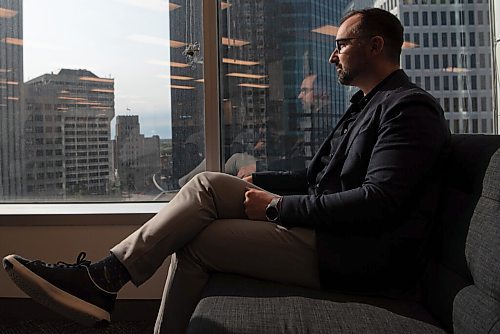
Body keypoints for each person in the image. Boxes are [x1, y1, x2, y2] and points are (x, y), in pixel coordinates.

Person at [2, 8, 450, 334]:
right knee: (208, 184)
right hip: (333, 235)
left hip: (360, 255)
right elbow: (317, 177)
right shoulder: (367, 105)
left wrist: (276, 209)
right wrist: (259, 184)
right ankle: (105, 277)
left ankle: (104, 280)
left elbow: (381, 202)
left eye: (341, 44)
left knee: (199, 243)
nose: (332, 56)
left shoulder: (408, 109)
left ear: (375, 46)